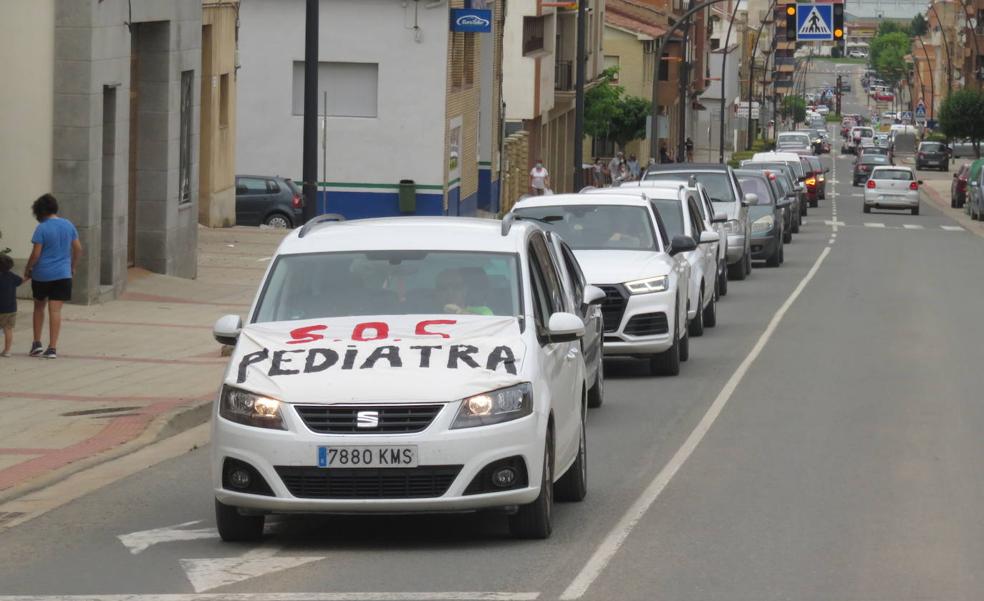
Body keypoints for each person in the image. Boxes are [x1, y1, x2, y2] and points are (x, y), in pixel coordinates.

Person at [23, 194, 82, 359]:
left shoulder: (42, 228)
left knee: (39, 307)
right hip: (63, 274)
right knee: (55, 311)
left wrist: (28, 269)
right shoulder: (68, 225)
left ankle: (36, 344)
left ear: (39, 212)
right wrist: (73, 266)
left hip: (42, 275)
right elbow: (78, 248)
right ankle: (52, 348)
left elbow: (36, 254)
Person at [0, 254, 26, 358]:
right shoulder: (12, 276)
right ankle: (7, 351)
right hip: (10, 309)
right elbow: (21, 281)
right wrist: (29, 276)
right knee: (8, 329)